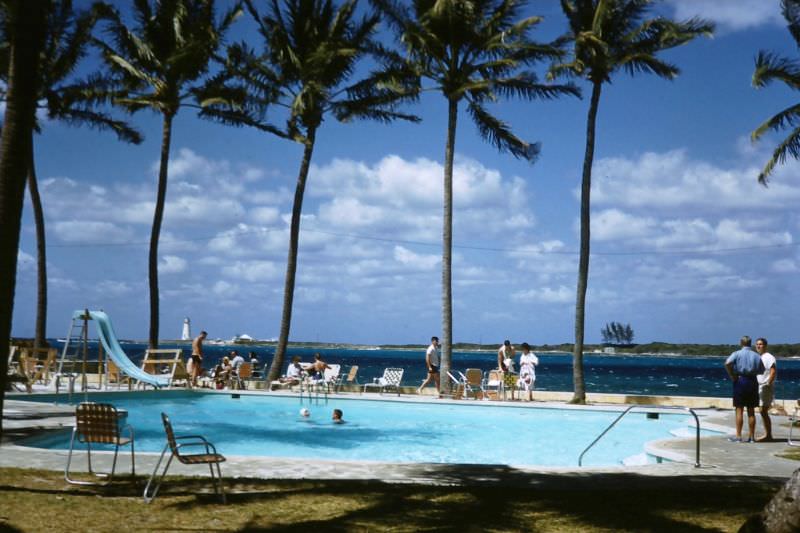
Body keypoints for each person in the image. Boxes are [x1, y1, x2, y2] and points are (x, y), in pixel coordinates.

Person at [724, 336, 765, 443]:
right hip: (752, 381)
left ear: (741, 343)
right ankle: (751, 437)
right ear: (751, 343)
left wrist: (732, 375)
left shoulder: (737, 353)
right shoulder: (756, 355)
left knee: (739, 410)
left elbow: (727, 363)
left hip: (740, 380)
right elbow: (762, 370)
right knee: (751, 411)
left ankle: (738, 436)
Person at [755, 337, 777, 442]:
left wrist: (768, 383)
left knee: (763, 410)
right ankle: (768, 434)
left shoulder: (769, 357)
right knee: (762, 411)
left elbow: (773, 371)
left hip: (765, 386)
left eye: (761, 344)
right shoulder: (760, 357)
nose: (758, 346)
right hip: (760, 386)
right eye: (757, 344)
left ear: (765, 346)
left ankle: (768, 435)